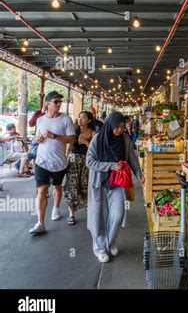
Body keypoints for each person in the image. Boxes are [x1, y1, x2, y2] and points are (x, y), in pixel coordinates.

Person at [86, 112, 144, 263]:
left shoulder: (125, 139)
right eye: (116, 127)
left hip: (118, 182)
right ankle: (99, 249)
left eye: (122, 127)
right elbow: (89, 161)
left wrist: (138, 173)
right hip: (99, 182)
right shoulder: (97, 140)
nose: (119, 130)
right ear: (109, 125)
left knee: (117, 215)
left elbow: (132, 158)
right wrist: (111, 166)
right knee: (99, 216)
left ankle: (109, 242)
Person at [29, 91, 75, 235]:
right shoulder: (40, 120)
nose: (59, 104)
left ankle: (55, 207)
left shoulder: (66, 119)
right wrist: (38, 139)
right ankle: (40, 222)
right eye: (56, 101)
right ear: (47, 103)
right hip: (42, 160)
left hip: (59, 161)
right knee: (41, 191)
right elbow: (38, 136)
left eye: (60, 101)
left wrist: (54, 136)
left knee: (57, 187)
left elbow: (71, 139)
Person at [63, 111, 96, 225]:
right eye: (79, 117)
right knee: (71, 186)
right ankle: (71, 214)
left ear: (89, 120)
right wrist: (66, 157)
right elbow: (69, 146)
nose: (80, 119)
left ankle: (87, 205)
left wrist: (86, 142)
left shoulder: (93, 133)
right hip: (74, 160)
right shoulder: (74, 131)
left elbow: (95, 150)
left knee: (86, 185)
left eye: (83, 117)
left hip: (87, 161)